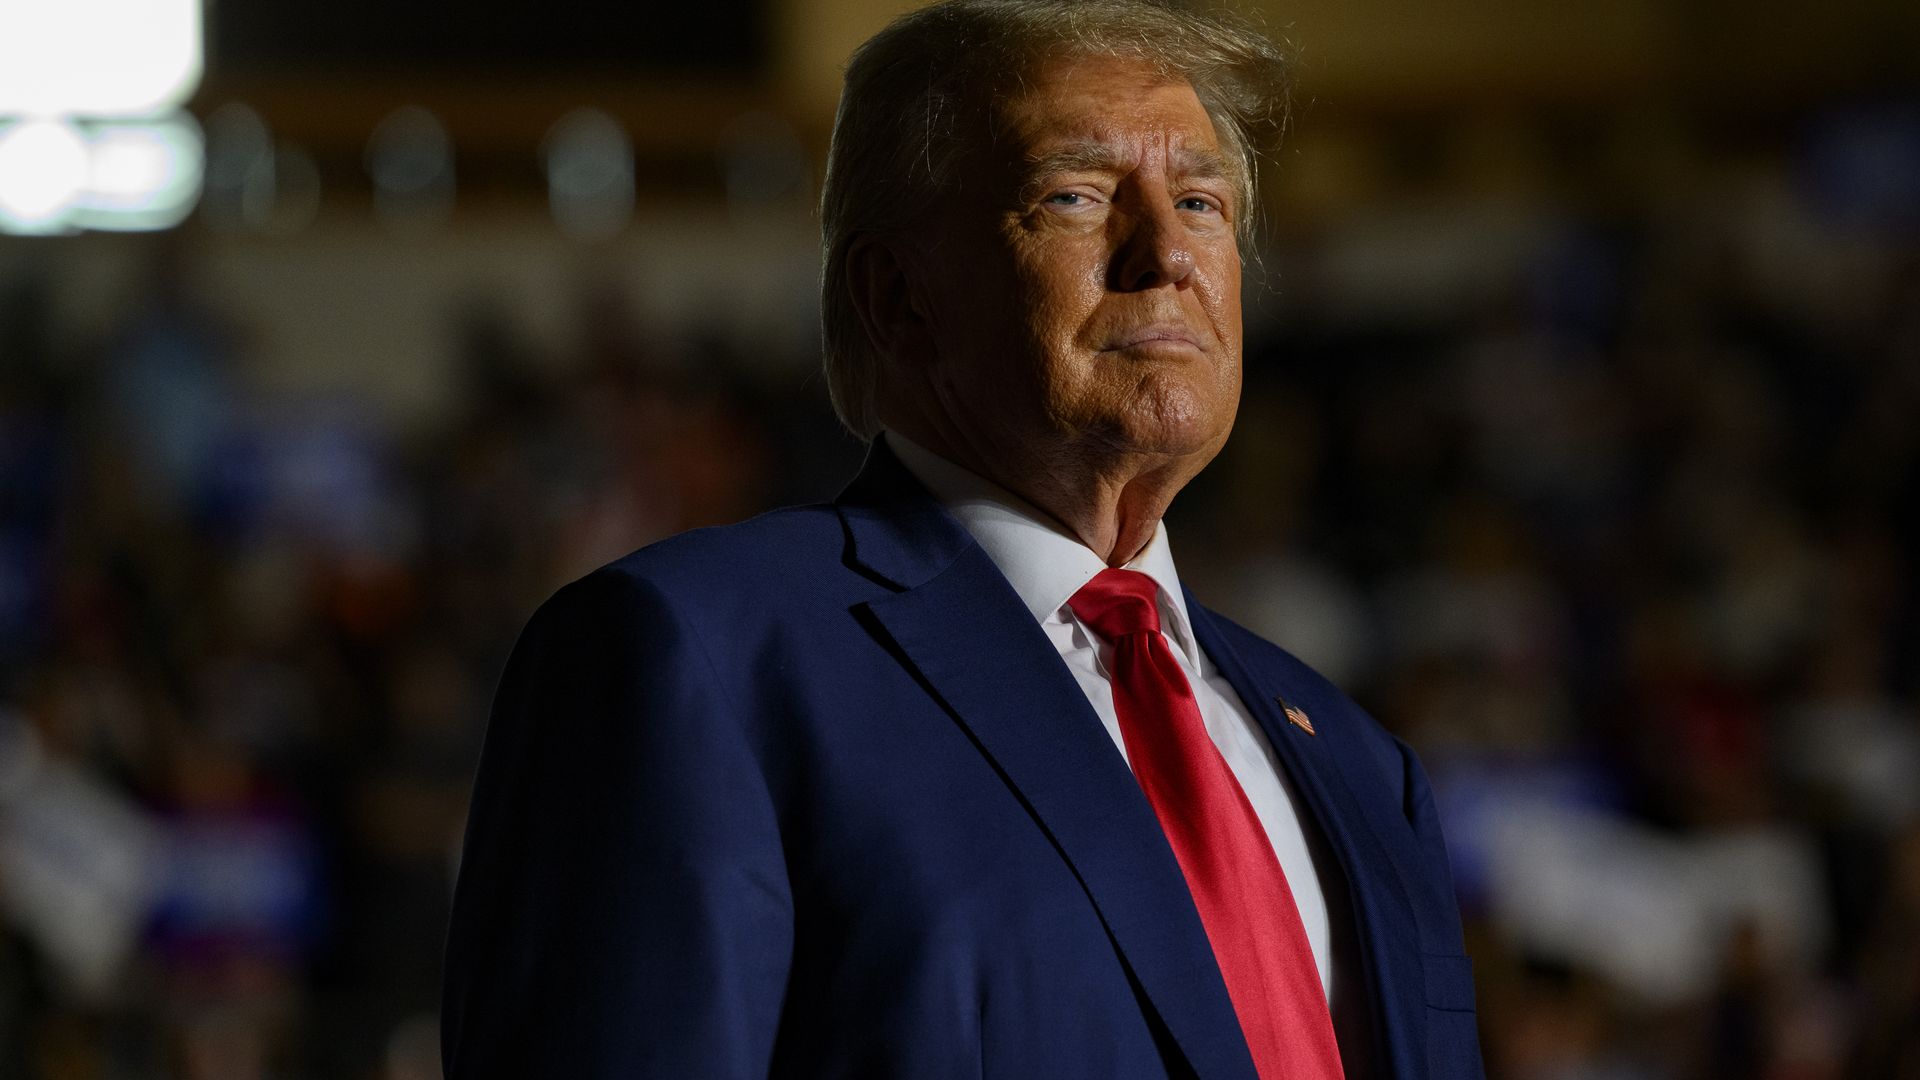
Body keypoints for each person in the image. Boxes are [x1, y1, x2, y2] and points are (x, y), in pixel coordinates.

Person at [441, 1, 1484, 1077]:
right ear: (898, 299)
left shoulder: (1364, 766)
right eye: (1076, 197)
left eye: (1202, 201)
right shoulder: (695, 661)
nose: (1168, 252)